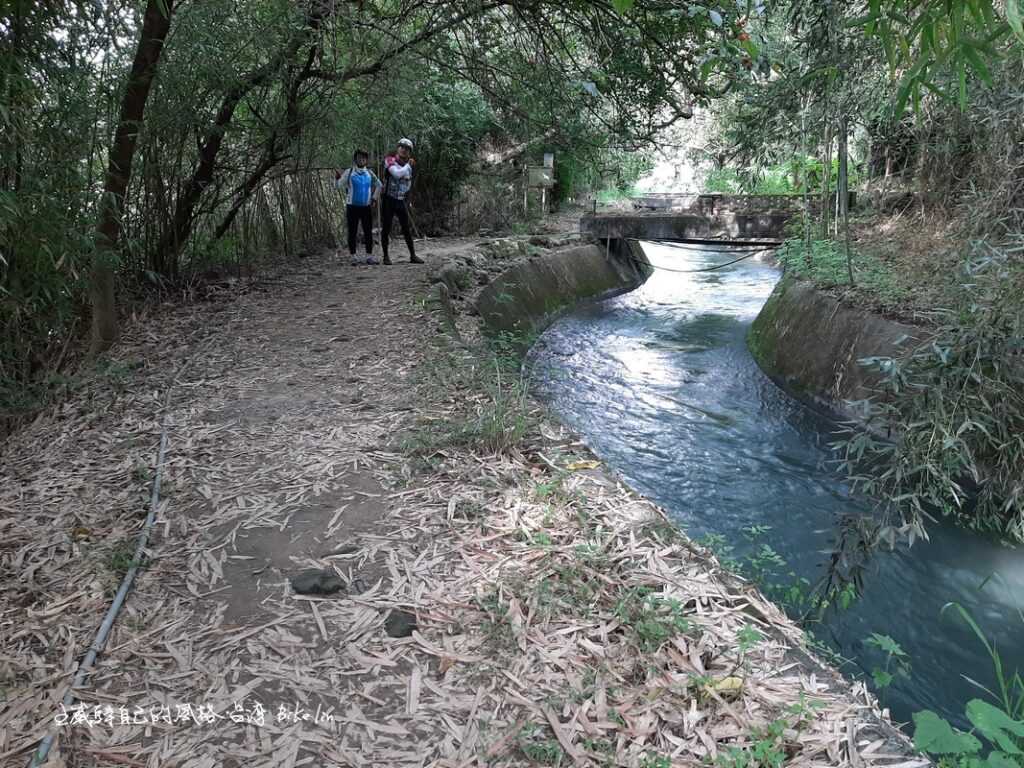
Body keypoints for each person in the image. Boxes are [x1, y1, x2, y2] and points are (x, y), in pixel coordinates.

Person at [380, 137, 424, 265]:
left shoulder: (409, 165)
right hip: (388, 199)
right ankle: (386, 256)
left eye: (407, 149)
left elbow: (408, 183)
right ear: (397, 148)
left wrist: (408, 199)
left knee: (406, 228)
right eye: (402, 147)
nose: (404, 150)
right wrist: (408, 166)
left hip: (401, 200)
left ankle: (413, 255)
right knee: (386, 227)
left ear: (410, 152)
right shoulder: (390, 160)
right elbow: (397, 174)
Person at [335, 149, 381, 265]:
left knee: (368, 232)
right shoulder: (349, 172)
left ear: (366, 160)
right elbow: (338, 186)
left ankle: (369, 256)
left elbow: (379, 185)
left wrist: (374, 198)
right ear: (355, 159)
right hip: (352, 207)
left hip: (366, 207)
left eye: (364, 158)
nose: (362, 160)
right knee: (352, 232)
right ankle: (353, 256)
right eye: (360, 157)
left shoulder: (370, 173)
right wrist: (337, 178)